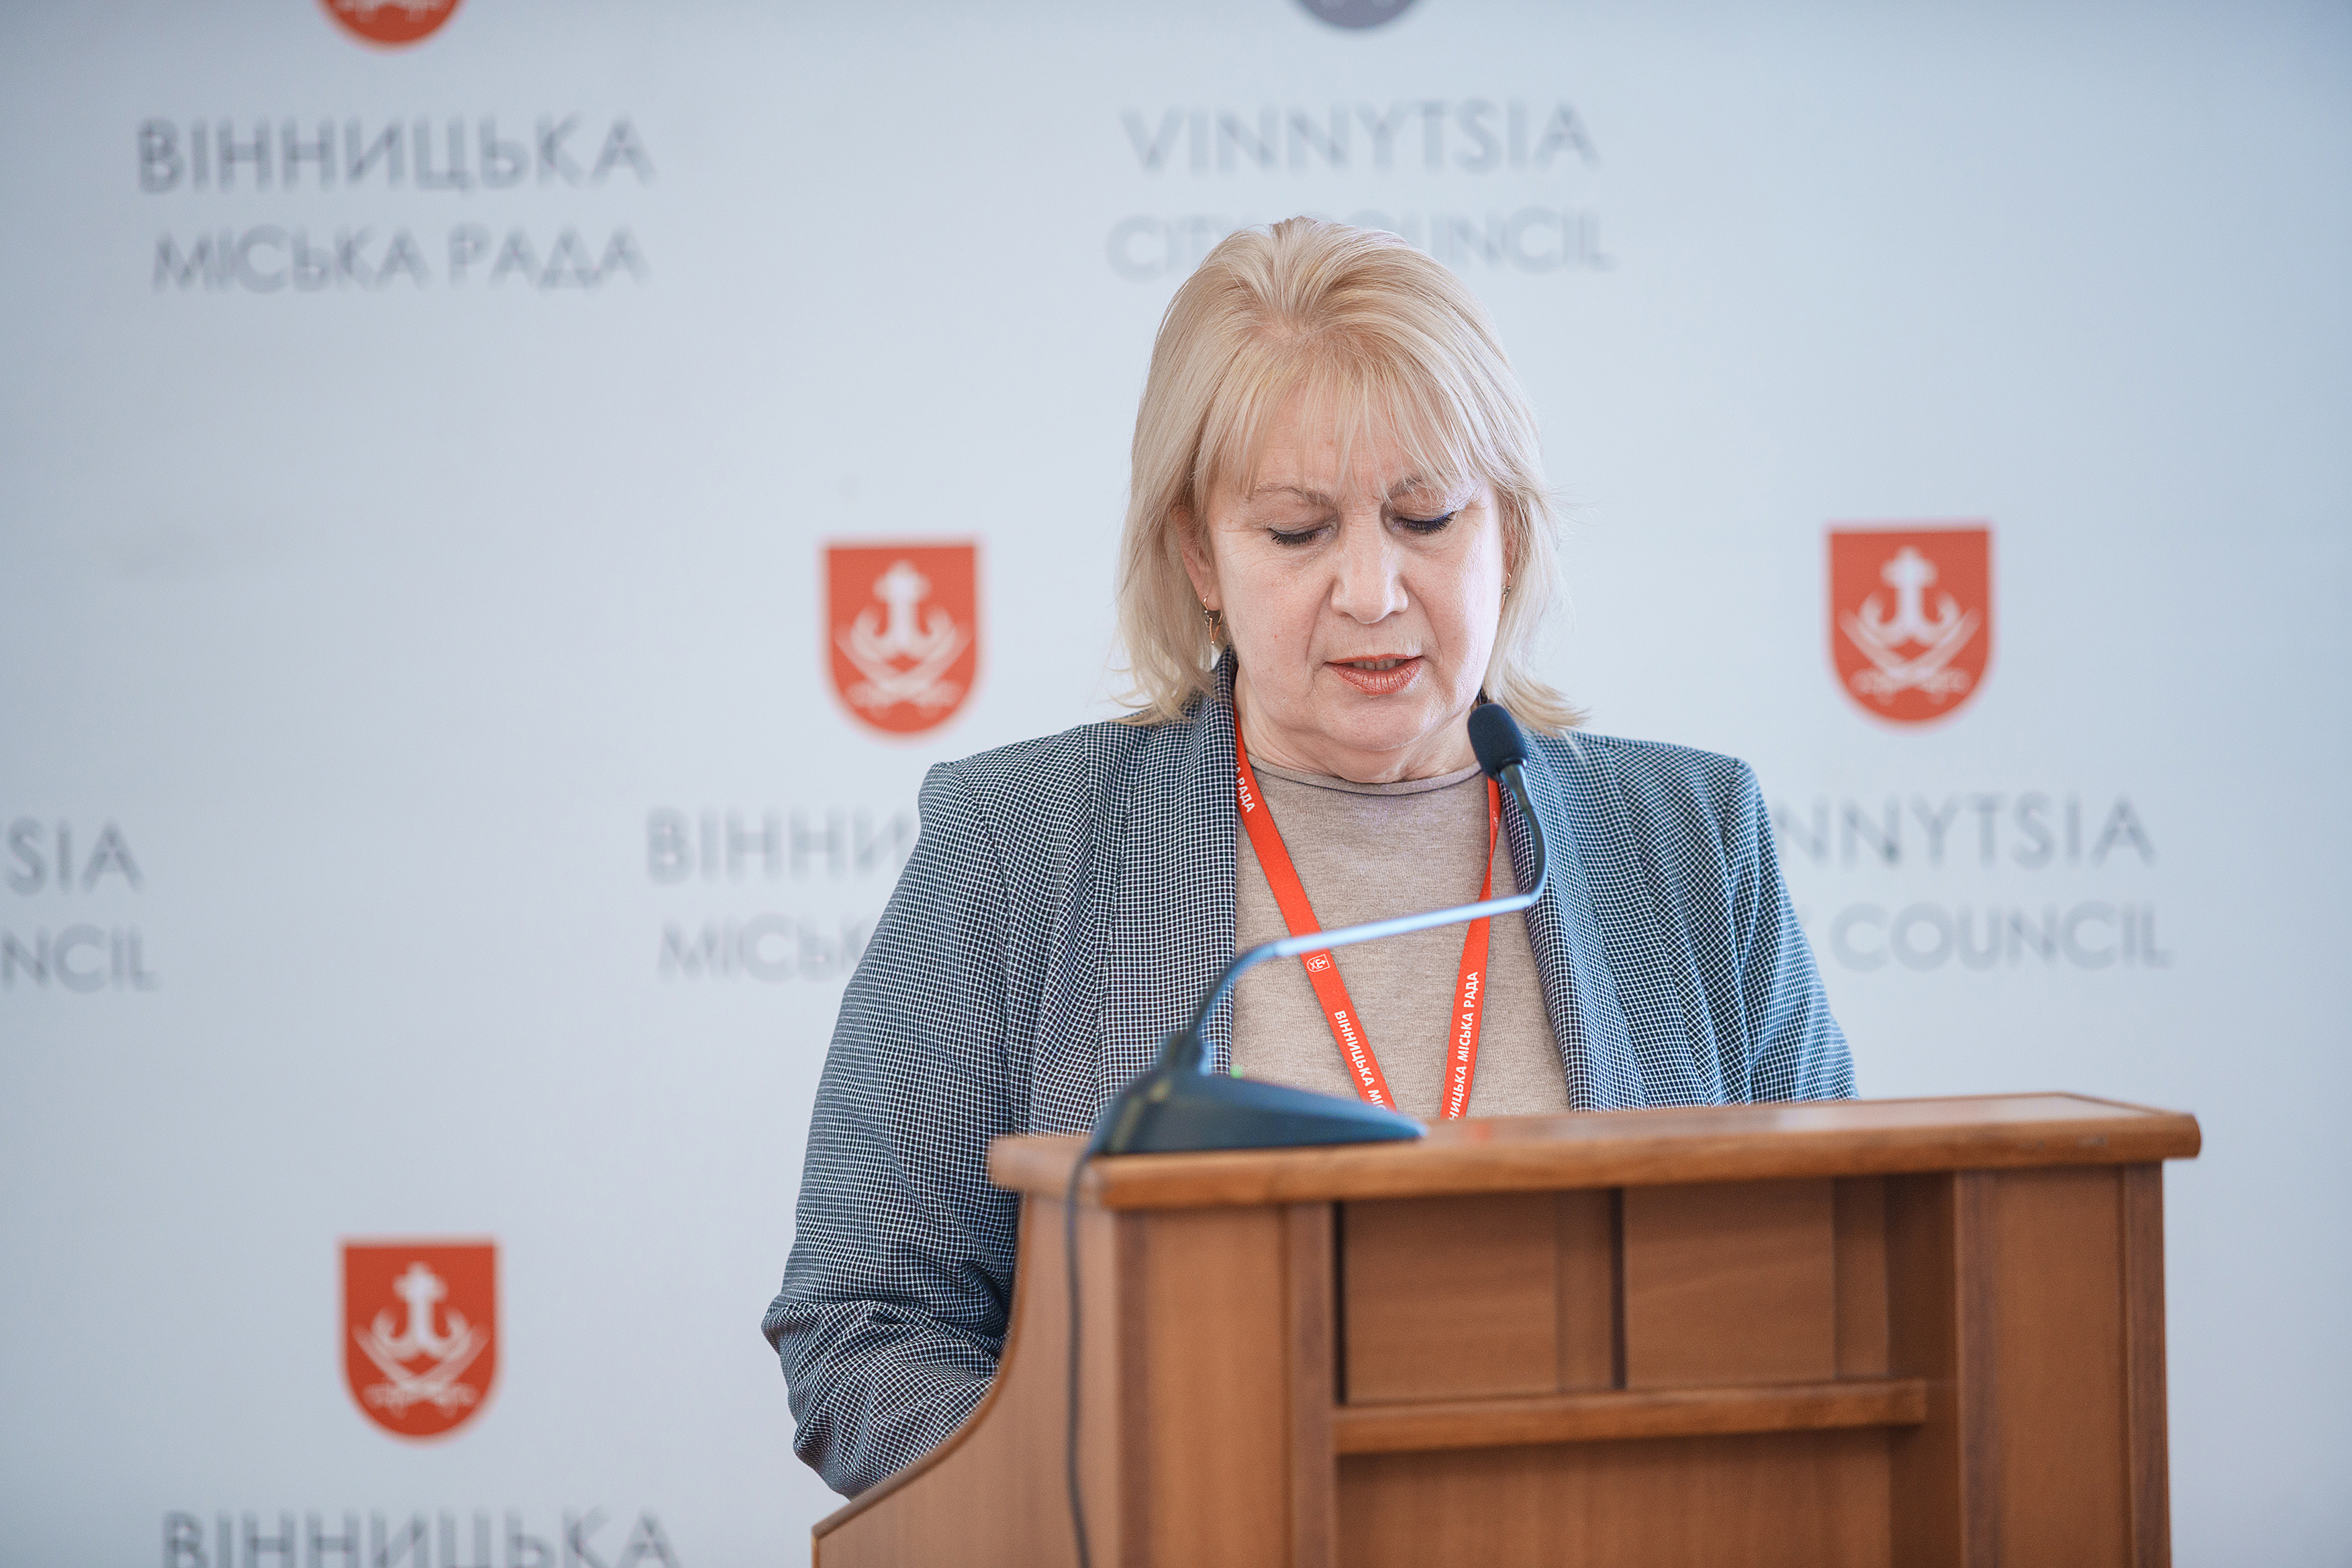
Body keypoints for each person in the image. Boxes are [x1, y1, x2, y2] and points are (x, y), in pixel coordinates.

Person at [763, 217, 1853, 1498]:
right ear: (1198, 554)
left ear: (1505, 530)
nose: (1373, 591)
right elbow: (866, 1322)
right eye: (1297, 531)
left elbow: (1838, 1279)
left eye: (1426, 517)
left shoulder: (1689, 841)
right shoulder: (1023, 847)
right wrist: (1110, 1512)